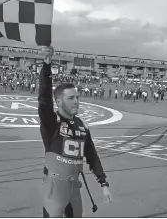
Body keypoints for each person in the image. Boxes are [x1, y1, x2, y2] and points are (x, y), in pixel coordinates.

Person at [38, 46, 112, 218]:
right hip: (54, 187)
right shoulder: (51, 123)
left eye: (77, 97)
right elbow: (43, 100)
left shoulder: (82, 125)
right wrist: (46, 66)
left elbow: (92, 156)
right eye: (71, 98)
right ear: (59, 102)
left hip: (75, 189)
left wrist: (104, 184)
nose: (77, 101)